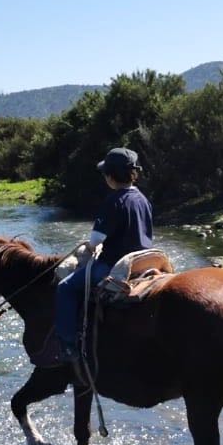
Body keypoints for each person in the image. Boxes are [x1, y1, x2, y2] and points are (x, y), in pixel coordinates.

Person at [54, 147, 154, 379]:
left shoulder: (114, 201)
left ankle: (68, 345)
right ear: (133, 174)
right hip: (143, 261)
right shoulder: (142, 199)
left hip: (114, 264)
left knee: (66, 288)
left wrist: (90, 247)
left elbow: (96, 240)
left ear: (110, 176)